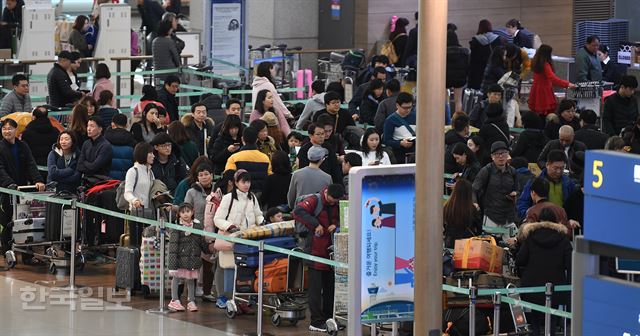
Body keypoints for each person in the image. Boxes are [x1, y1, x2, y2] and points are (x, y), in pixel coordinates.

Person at [292, 184, 344, 332]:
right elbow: (298, 211)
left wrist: (336, 224)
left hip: (331, 251)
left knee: (330, 286)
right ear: (327, 193)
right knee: (315, 288)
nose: (333, 203)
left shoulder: (338, 201)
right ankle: (316, 321)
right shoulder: (315, 200)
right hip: (314, 250)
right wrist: (316, 224)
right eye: (331, 200)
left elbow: (342, 216)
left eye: (336, 201)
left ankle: (329, 319)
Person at [516, 210, 572, 335]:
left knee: (535, 319)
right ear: (555, 221)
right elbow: (570, 264)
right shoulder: (563, 239)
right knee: (552, 319)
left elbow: (520, 260)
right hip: (555, 288)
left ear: (539, 221)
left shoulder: (531, 237)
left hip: (532, 288)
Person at [214, 170, 263, 309]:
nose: (246, 185)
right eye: (243, 182)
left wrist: (262, 221)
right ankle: (226, 297)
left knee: (246, 269)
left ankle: (243, 297)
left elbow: (257, 214)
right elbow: (217, 219)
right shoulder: (228, 198)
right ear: (236, 183)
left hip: (248, 239)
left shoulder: (252, 197)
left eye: (248, 181)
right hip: (230, 239)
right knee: (228, 268)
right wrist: (229, 226)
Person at [0, 118, 45, 260]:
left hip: (22, 190)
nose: (7, 131)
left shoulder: (23, 146)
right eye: (4, 129)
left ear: (16, 130)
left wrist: (38, 180)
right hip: (6, 191)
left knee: (25, 221)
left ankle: (27, 254)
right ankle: (8, 252)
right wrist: (9, 184)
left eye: (10, 128)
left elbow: (31, 164)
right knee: (7, 222)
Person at [167, 202, 213, 312]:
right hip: (179, 259)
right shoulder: (177, 227)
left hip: (193, 259)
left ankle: (191, 301)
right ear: (179, 214)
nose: (185, 214)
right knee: (176, 278)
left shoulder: (197, 226)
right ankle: (174, 300)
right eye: (182, 212)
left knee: (191, 280)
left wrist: (209, 249)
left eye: (188, 211)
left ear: (192, 212)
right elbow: (173, 246)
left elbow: (201, 242)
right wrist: (172, 264)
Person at [472, 141, 518, 236]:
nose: (501, 156)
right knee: (491, 246)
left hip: (509, 217)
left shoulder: (513, 171)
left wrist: (515, 194)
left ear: (508, 155)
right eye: (497, 154)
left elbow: (518, 189)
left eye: (504, 153)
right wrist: (475, 202)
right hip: (491, 216)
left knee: (513, 245)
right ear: (492, 157)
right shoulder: (486, 170)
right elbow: (474, 189)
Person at [520, 149, 578, 220]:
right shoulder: (535, 182)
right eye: (555, 168)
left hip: (561, 223)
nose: (558, 171)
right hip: (540, 222)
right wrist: (529, 217)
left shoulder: (568, 183)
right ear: (547, 165)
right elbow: (523, 203)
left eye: (562, 168)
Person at [529, 44, 575, 117]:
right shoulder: (545, 65)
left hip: (536, 90)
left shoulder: (536, 63)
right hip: (544, 92)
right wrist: (567, 84)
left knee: (538, 114)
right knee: (546, 115)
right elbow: (553, 78)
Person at [224, 127, 272, 193]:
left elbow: (228, 177)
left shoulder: (234, 158)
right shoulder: (265, 158)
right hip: (260, 197)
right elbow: (270, 177)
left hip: (240, 196)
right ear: (256, 140)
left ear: (242, 139)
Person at [251, 61, 293, 135]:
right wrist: (289, 115)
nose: (274, 71)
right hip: (270, 116)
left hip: (258, 113)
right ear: (269, 70)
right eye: (272, 68)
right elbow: (278, 102)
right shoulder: (268, 85)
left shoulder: (255, 85)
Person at [443, 179, 482, 248]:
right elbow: (479, 229)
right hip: (467, 244)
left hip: (450, 241)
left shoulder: (447, 206)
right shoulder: (472, 209)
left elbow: (444, 225)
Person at [468, 19, 502, 90]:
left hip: (479, 70)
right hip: (493, 68)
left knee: (478, 90)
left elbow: (473, 59)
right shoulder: (498, 39)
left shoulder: (475, 40)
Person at [383, 92, 416, 163]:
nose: (407, 110)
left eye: (410, 107)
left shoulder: (415, 117)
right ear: (397, 105)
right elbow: (386, 140)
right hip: (399, 153)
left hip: (415, 151)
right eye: (405, 108)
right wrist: (400, 143)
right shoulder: (390, 120)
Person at [105, 113, 135, 180]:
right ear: (126, 125)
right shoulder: (132, 141)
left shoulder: (105, 140)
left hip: (107, 180)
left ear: (113, 124)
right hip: (126, 180)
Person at [446, 29, 470, 112]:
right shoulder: (464, 51)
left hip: (446, 78)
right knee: (458, 101)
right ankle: (457, 120)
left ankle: (445, 120)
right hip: (460, 79)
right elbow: (468, 65)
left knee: (444, 101)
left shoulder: (442, 51)